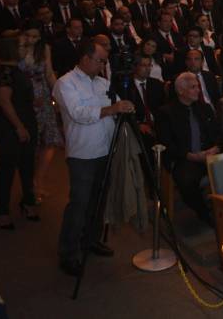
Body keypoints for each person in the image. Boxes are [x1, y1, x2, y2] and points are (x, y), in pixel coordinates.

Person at [53, 39, 136, 276]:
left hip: (106, 150)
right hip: (83, 153)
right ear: (85, 58)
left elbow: (117, 104)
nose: (102, 65)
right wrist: (112, 109)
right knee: (79, 203)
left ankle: (91, 239)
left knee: (99, 200)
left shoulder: (103, 83)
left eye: (105, 61)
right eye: (100, 60)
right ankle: (68, 252)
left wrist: (125, 105)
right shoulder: (65, 83)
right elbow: (79, 114)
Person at [155, 72, 222, 225]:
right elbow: (166, 143)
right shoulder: (166, 112)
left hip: (210, 154)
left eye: (198, 86)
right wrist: (190, 156)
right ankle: (204, 213)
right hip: (185, 158)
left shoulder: (204, 108)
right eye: (193, 87)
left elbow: (218, 132)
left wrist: (216, 148)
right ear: (180, 91)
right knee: (186, 180)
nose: (198, 90)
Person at [0, 31, 39, 230]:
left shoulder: (17, 69)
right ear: (10, 48)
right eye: (21, 46)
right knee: (8, 166)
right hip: (9, 124)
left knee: (28, 164)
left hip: (27, 119)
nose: (24, 49)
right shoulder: (3, 70)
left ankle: (27, 201)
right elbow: (4, 101)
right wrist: (19, 127)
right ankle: (2, 210)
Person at [18, 26, 62, 204]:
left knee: (49, 141)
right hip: (23, 97)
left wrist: (59, 94)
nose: (31, 39)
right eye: (28, 34)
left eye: (35, 36)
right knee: (31, 144)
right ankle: (28, 186)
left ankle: (39, 182)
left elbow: (49, 73)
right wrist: (21, 45)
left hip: (43, 97)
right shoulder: (16, 47)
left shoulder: (44, 49)